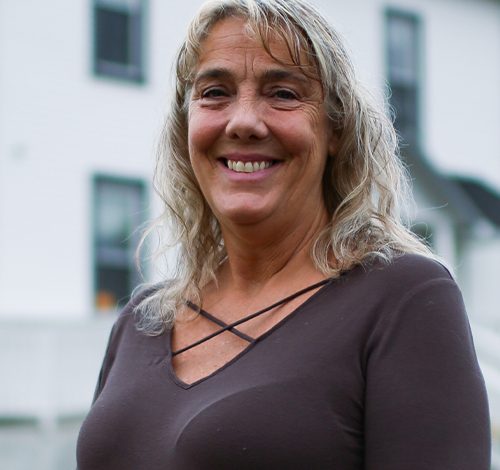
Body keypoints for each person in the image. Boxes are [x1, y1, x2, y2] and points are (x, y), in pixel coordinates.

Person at [76, 0, 491, 468]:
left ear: (335, 129)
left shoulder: (403, 300)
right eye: (215, 92)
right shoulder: (141, 320)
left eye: (284, 94)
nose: (243, 122)